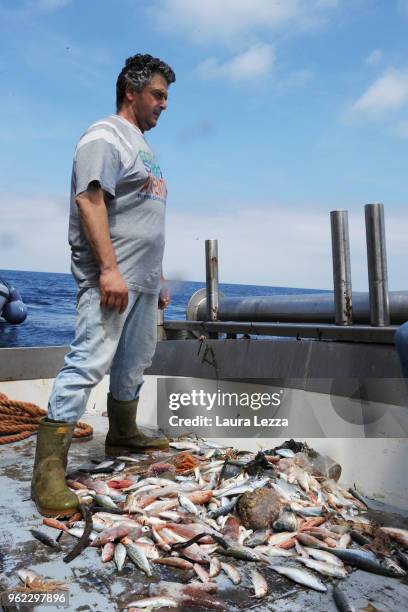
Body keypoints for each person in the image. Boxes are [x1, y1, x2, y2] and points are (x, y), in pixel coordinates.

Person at [31, 54, 176, 518]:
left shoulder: (142, 146)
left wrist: (157, 275)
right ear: (131, 91)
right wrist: (109, 271)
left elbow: (142, 218)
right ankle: (48, 476)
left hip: (142, 280)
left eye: (166, 97)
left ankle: (123, 433)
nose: (164, 105)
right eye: (158, 94)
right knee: (88, 361)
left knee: (134, 363)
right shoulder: (104, 135)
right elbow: (90, 200)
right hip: (111, 279)